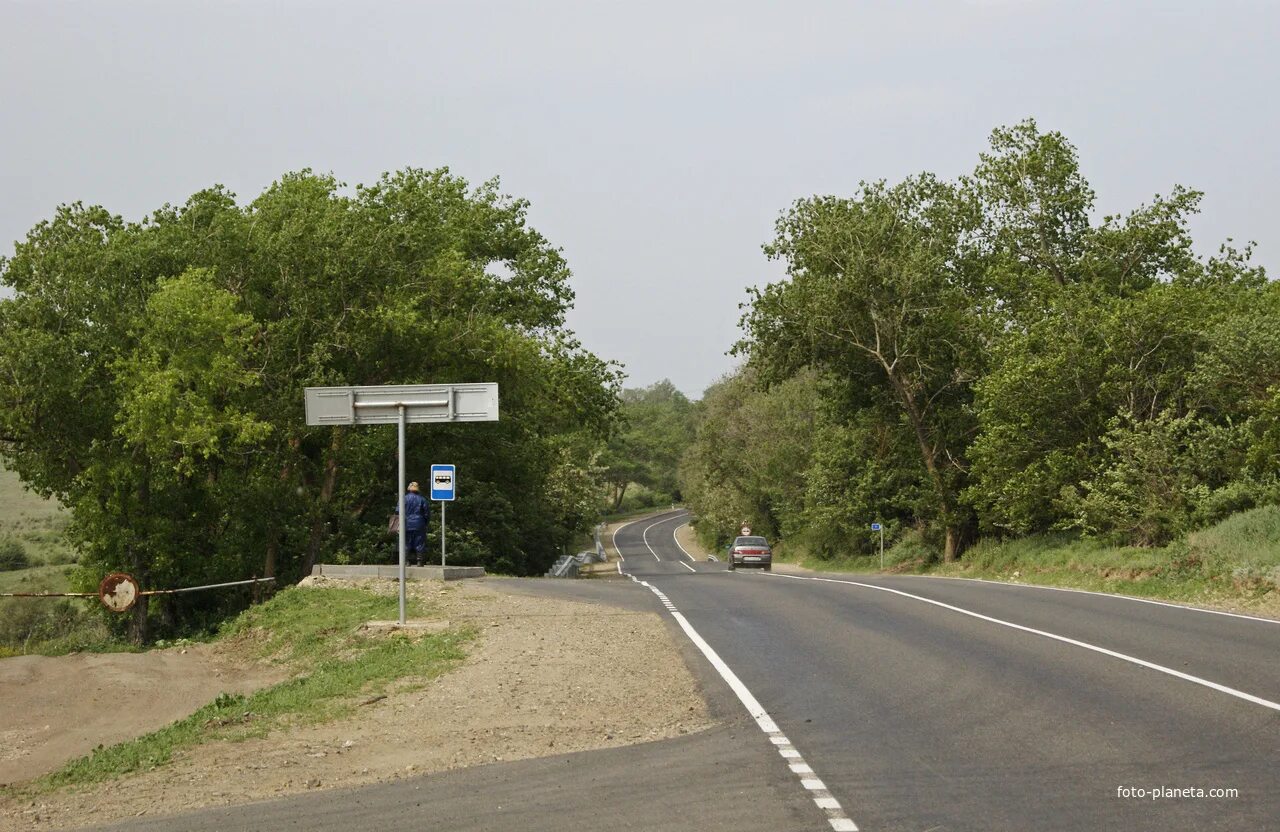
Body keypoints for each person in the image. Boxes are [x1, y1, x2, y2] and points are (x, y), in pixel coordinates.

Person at [394, 481, 431, 566]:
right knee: (420, 542)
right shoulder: (422, 499)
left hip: (406, 523)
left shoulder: (403, 499)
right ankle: (419, 561)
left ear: (409, 489)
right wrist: (425, 522)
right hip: (419, 523)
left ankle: (406, 561)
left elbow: (397, 511)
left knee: (406, 542)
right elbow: (427, 513)